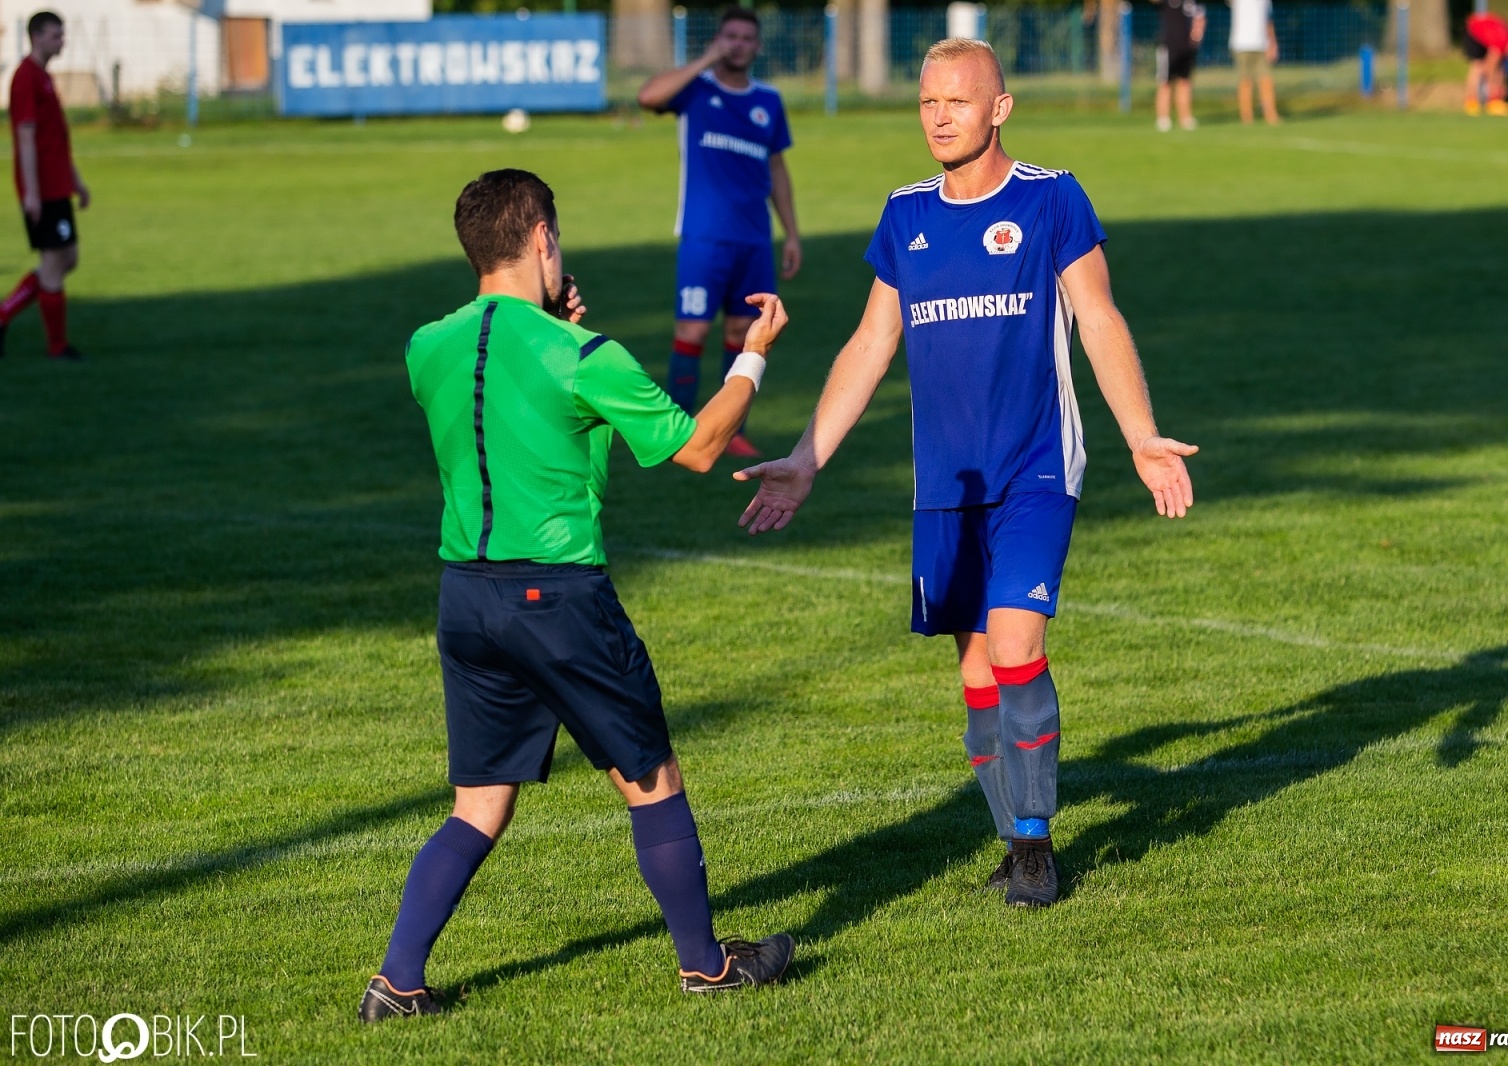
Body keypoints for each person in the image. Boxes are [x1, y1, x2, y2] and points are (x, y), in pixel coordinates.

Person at [732, 40, 1197, 909]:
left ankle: (1032, 846)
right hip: (945, 483)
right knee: (977, 673)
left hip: (1034, 469)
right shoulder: (906, 215)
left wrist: (1140, 436)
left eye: (957, 101)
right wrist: (805, 459)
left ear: (999, 109)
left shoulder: (1052, 198)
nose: (939, 116)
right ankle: (1011, 832)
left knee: (1018, 646)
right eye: (926, 102)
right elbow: (873, 343)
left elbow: (1097, 317)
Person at [360, 169, 794, 1022]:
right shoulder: (584, 356)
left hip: (465, 600)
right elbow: (699, 448)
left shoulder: (426, 346)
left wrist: (554, 341)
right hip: (556, 599)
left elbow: (536, 420)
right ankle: (706, 967)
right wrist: (753, 353)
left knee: (479, 807)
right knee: (651, 779)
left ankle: (397, 983)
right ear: (541, 240)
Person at [637, 6, 801, 459]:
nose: (738, 45)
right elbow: (647, 96)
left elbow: (777, 169)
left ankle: (730, 431)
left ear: (758, 46)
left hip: (753, 241)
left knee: (745, 335)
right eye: (730, 36)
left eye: (747, 38)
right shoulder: (695, 92)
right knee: (691, 331)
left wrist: (790, 233)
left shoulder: (768, 101)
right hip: (703, 238)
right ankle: (676, 430)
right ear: (718, 40)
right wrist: (704, 60)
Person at [1, 10, 88, 360]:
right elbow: (25, 139)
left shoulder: (44, 78)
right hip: (44, 190)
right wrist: (32, 193)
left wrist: (76, 181)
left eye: (62, 34)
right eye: (56, 35)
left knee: (67, 257)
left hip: (57, 186)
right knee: (54, 262)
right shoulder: (25, 78)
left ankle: (4, 313)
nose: (62, 41)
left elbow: (55, 140)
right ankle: (58, 346)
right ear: (36, 36)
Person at [1155, 0, 1206, 131]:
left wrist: (1196, 36)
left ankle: (1185, 118)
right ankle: (1163, 118)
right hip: (1167, 48)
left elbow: (1200, 18)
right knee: (1165, 83)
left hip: (1187, 49)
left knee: (1185, 82)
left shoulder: (1192, 3)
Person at [1462, 11, 1508, 116]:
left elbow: (1501, 67)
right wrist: (1493, 86)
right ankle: (1471, 102)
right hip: (1473, 30)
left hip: (1484, 30)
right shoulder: (1501, 42)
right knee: (1478, 66)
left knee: (1499, 66)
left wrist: (1501, 84)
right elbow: (1490, 66)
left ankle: (1494, 101)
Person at [1228, 0, 1279, 125]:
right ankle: (1247, 117)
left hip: (1261, 44)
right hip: (1241, 44)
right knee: (1246, 81)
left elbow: (1268, 20)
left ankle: (1270, 114)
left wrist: (1273, 42)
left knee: (1266, 80)